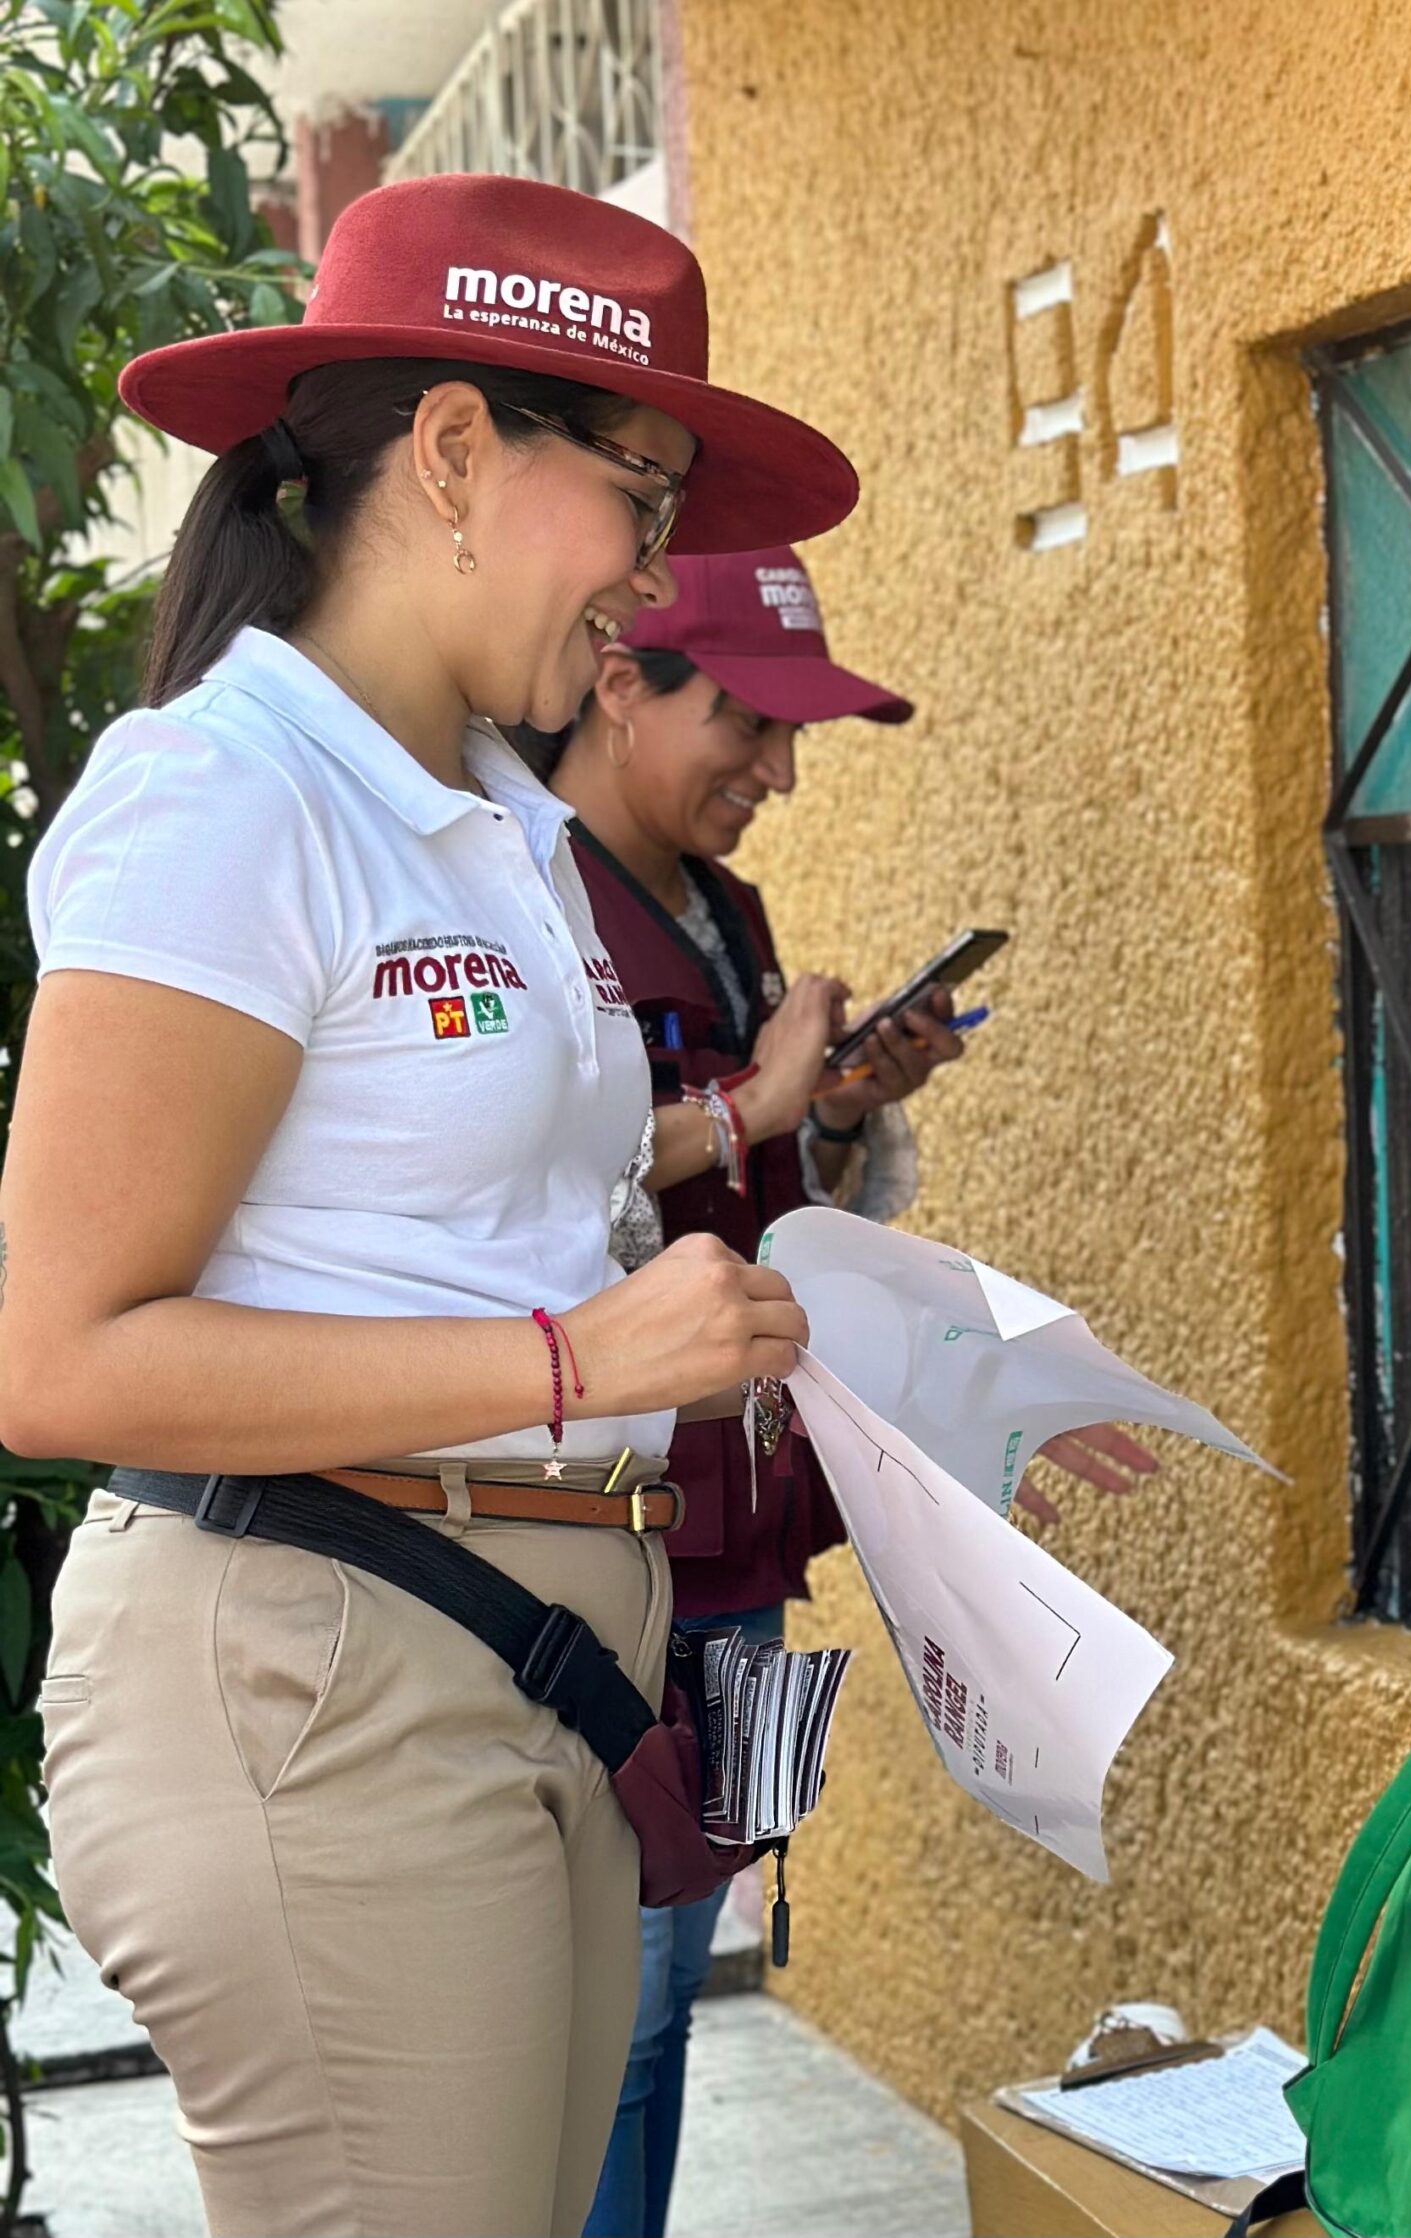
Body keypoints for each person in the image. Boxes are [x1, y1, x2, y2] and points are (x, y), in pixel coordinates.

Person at [1, 175, 864, 2237]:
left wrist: (869, 1355)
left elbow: (478, 1208)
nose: (654, 580)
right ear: (457, 453)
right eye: (640, 499)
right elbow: (54, 1354)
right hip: (323, 1690)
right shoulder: (231, 792)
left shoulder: (486, 813)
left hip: (514, 1677)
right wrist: (577, 1362)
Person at [544, 545, 1159, 2238]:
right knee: (598, 2007)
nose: (780, 770)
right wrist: (755, 1102)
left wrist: (831, 1108)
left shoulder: (717, 907)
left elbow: (759, 1213)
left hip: (744, 1551)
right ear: (620, 684)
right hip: (600, 1538)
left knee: (669, 1986)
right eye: (745, 719)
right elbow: (532, 1198)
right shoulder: (526, 902)